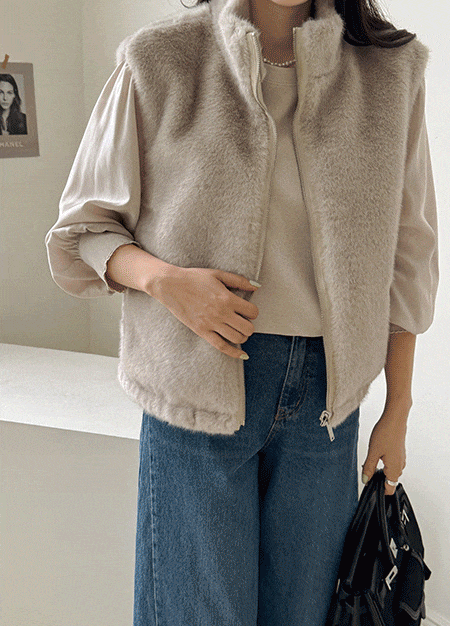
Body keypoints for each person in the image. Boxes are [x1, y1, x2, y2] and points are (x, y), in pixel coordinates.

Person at [44, 0, 439, 623]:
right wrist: (167, 282)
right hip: (194, 387)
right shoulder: (161, 60)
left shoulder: (389, 72)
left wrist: (399, 407)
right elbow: (84, 231)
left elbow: (409, 253)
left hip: (325, 408)